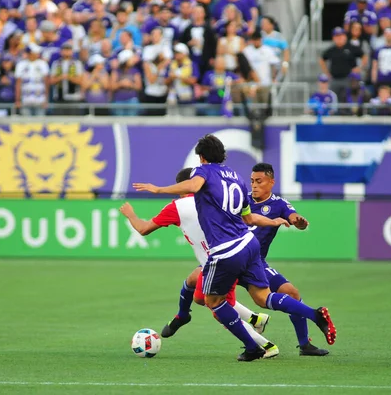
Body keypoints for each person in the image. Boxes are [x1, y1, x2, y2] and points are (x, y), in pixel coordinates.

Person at [133, 135, 336, 361]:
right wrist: (273, 221)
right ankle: (315, 315)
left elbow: (193, 185)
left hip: (225, 249)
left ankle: (253, 347)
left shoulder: (204, 172)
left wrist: (158, 189)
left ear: (201, 158)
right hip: (249, 245)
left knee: (213, 301)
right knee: (263, 297)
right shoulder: (237, 178)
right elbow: (249, 219)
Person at [119, 168, 279, 359]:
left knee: (218, 308)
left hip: (221, 262)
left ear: (181, 187)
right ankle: (184, 315)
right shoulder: (216, 199)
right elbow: (247, 217)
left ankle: (265, 344)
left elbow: (144, 229)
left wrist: (130, 214)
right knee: (194, 283)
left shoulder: (178, 206)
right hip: (240, 252)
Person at [247, 163, 329, 356]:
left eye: (259, 181)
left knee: (291, 293)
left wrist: (297, 221)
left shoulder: (278, 204)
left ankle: (304, 345)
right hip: (236, 259)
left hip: (257, 262)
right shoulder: (242, 199)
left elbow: (293, 217)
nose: (254, 186)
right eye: (252, 181)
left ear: (271, 182)